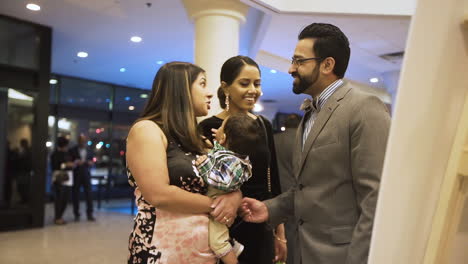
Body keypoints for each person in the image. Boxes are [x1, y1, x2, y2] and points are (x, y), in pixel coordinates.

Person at [240, 23, 391, 264]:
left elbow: (376, 199)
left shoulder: (364, 108)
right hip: (302, 253)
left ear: (327, 65)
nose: (291, 68)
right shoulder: (310, 114)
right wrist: (269, 209)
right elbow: (307, 188)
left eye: (299, 61)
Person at [126, 61, 242, 264]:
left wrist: (234, 197)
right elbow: (158, 194)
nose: (210, 93)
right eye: (202, 84)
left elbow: (223, 182)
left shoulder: (199, 139)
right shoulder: (147, 129)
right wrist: (218, 206)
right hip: (162, 253)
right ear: (180, 89)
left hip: (203, 255)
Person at [198, 55, 287, 264]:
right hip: (222, 222)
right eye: (244, 83)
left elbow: (272, 179)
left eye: (257, 84)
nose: (253, 90)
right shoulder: (207, 127)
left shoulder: (263, 124)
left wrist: (280, 233)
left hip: (260, 220)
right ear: (226, 87)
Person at [195, 113, 259, 264]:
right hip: (218, 201)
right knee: (219, 233)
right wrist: (217, 142)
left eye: (220, 128)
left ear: (223, 138)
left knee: (217, 240)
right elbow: (220, 152)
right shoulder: (231, 153)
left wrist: (204, 164)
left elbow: (221, 181)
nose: (216, 129)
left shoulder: (233, 162)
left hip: (219, 201)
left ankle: (232, 257)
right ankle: (233, 245)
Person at [273, 113, 301, 264]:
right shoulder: (303, 140)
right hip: (298, 193)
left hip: (277, 194)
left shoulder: (274, 140)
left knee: (285, 235)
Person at [69, 134, 95, 221]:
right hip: (76, 174)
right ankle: (76, 214)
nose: (82, 142)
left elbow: (92, 161)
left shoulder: (89, 150)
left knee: (89, 194)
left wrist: (90, 163)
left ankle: (90, 214)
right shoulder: (72, 150)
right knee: (75, 195)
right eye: (81, 140)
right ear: (78, 141)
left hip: (86, 174)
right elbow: (69, 161)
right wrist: (76, 162)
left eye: (84, 140)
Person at [50, 136, 74, 225]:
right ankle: (58, 217)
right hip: (59, 178)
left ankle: (60, 216)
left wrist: (71, 165)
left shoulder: (67, 154)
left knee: (65, 198)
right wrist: (65, 165)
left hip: (67, 177)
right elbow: (55, 166)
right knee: (59, 198)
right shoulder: (55, 154)